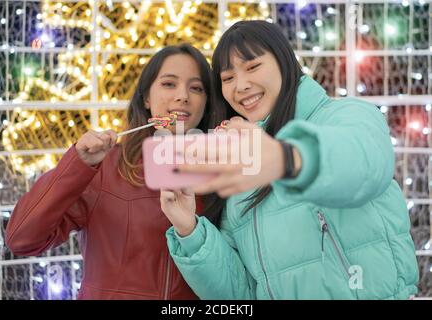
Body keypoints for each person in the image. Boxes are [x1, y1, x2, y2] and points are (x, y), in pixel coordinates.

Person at [161, 21, 419, 299]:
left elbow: (362, 164)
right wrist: (188, 229)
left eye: (253, 67)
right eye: (227, 78)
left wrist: (287, 159)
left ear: (284, 62)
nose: (241, 86)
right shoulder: (240, 163)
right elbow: (242, 293)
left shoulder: (345, 116)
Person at [5, 44, 222, 299]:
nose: (183, 96)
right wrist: (78, 164)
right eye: (168, 84)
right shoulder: (105, 167)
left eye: (196, 88)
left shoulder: (222, 171)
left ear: (207, 103)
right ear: (146, 98)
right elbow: (22, 238)